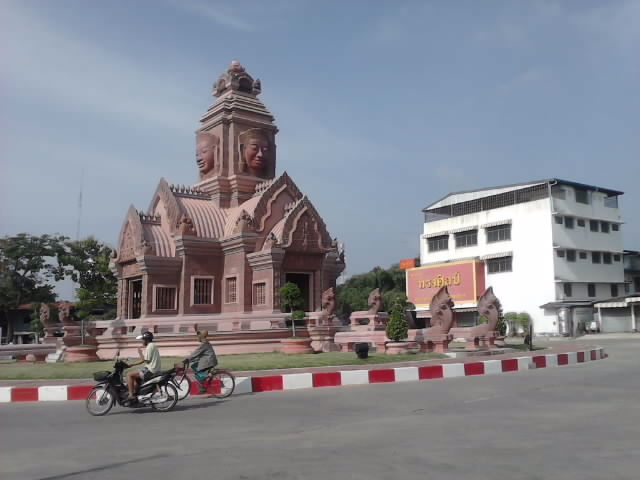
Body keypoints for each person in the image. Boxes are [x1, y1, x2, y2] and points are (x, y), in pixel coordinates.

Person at [127, 331, 161, 400]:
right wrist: (133, 363)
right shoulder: (153, 345)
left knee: (129, 375)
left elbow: (146, 361)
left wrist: (140, 353)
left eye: (143, 340)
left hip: (150, 370)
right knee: (136, 377)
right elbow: (146, 360)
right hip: (153, 369)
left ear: (147, 340)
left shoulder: (149, 347)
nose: (142, 341)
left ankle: (130, 395)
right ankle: (136, 394)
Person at [186, 327, 218, 393]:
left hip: (208, 361)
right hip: (208, 360)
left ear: (201, 337)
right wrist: (191, 360)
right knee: (194, 366)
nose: (197, 337)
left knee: (198, 373)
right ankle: (205, 380)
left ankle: (206, 380)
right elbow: (199, 354)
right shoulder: (206, 343)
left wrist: (187, 359)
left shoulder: (204, 344)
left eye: (198, 336)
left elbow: (196, 353)